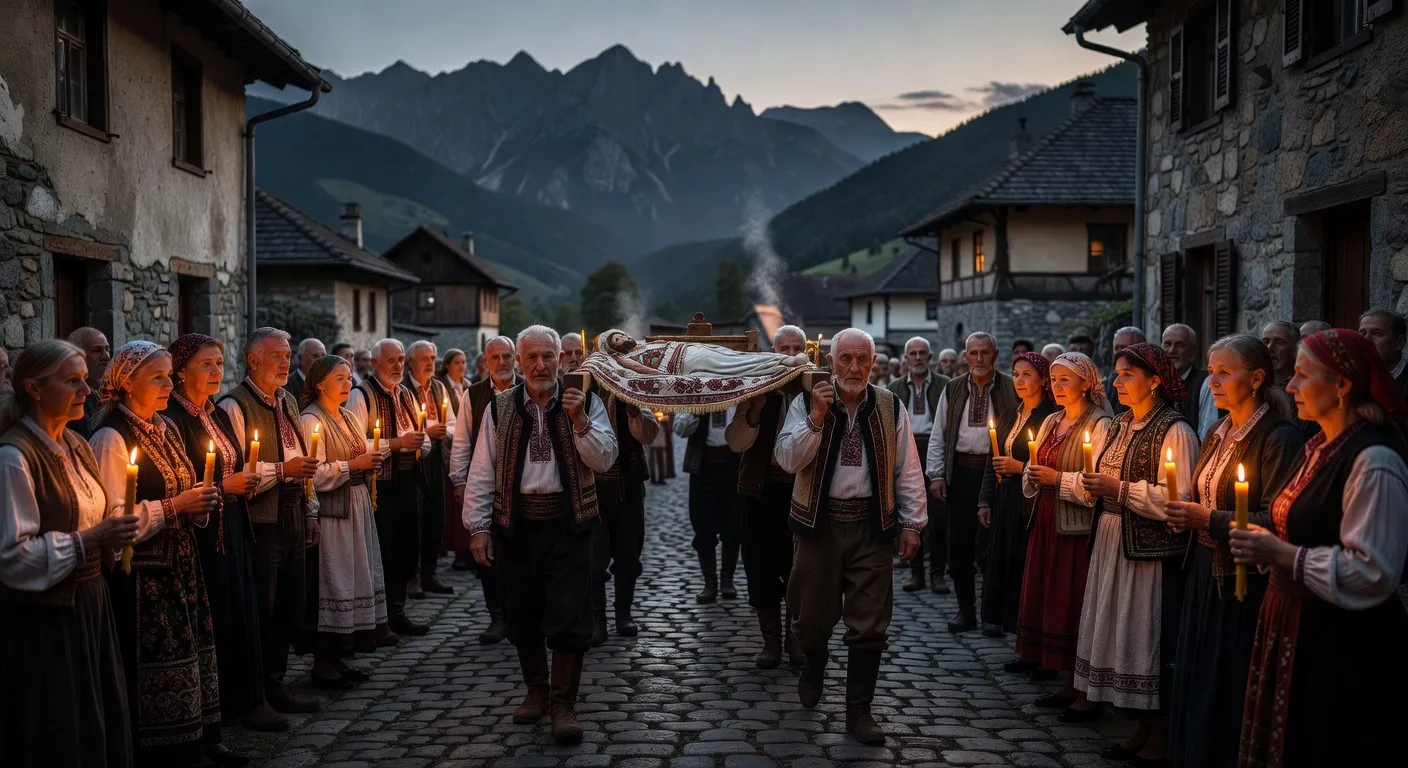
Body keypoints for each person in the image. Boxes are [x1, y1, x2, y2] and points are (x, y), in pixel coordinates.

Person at [1232, 329, 1408, 767]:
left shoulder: (1374, 461)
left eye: (1301, 375)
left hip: (1339, 641)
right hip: (1294, 621)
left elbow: (1374, 572)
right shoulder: (1318, 447)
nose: (1289, 387)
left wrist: (1283, 555)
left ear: (1342, 385)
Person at [463, 325, 617, 745]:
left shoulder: (585, 398)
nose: (541, 365)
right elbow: (482, 470)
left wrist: (580, 419)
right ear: (518, 360)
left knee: (570, 615)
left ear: (561, 358)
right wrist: (478, 528)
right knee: (523, 612)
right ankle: (536, 691)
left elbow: (605, 458)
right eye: (531, 357)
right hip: (517, 526)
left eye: (548, 356)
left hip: (569, 524)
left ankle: (564, 705)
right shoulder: (499, 407)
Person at [774, 327, 927, 746]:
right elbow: (787, 459)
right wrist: (816, 420)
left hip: (871, 527)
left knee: (870, 624)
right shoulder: (806, 400)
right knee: (810, 620)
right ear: (830, 361)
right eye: (846, 359)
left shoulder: (891, 406)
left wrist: (913, 523)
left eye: (863, 359)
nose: (855, 368)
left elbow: (907, 470)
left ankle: (859, 712)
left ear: (874, 363)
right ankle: (813, 663)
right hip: (818, 527)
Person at [1163, 335, 1302, 768]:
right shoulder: (1216, 433)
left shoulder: (1276, 438)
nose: (1213, 382)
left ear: (1257, 378)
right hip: (1204, 570)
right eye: (1211, 371)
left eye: (1225, 372)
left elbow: (1277, 521)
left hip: (1243, 577)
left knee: (1227, 678)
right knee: (1197, 670)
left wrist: (1208, 521)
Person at [91, 341, 232, 765]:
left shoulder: (166, 428)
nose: (169, 384)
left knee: (190, 655)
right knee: (155, 661)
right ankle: (162, 752)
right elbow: (117, 518)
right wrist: (177, 507)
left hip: (181, 564)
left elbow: (185, 489)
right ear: (127, 382)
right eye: (158, 376)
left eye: (170, 375)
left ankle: (197, 741)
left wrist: (200, 506)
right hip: (141, 577)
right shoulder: (111, 437)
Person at [0, 340, 136, 768]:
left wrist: (116, 532)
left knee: (98, 712)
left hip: (91, 602)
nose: (85, 389)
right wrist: (90, 540)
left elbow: (93, 512)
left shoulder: (77, 445)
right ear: (35, 389)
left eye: (84, 379)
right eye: (72, 380)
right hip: (47, 616)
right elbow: (12, 558)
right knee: (60, 721)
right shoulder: (13, 458)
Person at [1069, 343, 1198, 765]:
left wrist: (1120, 490)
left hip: (1150, 553)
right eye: (1117, 374)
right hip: (1111, 538)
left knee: (1147, 635)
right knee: (1121, 629)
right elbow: (1101, 478)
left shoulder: (1174, 430)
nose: (1118, 381)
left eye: (1128, 374)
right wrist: (1090, 487)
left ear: (1155, 380)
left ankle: (1158, 732)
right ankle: (1139, 727)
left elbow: (1176, 498)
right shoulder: (1122, 424)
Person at [164, 334, 285, 732]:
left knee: (242, 610)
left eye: (219, 363)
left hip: (232, 523)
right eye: (206, 365)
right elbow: (176, 482)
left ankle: (247, 698)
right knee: (219, 614)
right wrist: (224, 486)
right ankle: (224, 706)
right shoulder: (175, 419)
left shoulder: (213, 412)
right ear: (180, 372)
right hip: (202, 531)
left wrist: (243, 481)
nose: (217, 372)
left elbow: (231, 463)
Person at [217, 327, 322, 714]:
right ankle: (255, 691)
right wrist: (283, 470)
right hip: (260, 521)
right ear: (254, 359)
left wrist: (310, 512)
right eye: (277, 355)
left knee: (290, 606)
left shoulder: (288, 401)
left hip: (293, 510)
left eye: (289, 354)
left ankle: (275, 683)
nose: (286, 362)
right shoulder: (235, 405)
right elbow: (238, 474)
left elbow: (304, 465)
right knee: (262, 606)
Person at [1014, 352, 1111, 696]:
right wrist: (1034, 476)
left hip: (1076, 526)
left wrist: (1056, 479)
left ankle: (1077, 681)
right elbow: (1033, 465)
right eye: (1053, 380)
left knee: (1071, 596)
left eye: (1065, 379)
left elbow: (1096, 484)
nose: (1056, 386)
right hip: (1044, 517)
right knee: (1045, 588)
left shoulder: (1099, 424)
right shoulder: (1051, 421)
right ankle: (1053, 667)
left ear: (1086, 384)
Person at [300, 355, 389, 689]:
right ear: (320, 382)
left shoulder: (349, 416)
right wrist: (355, 465)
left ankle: (339, 656)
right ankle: (322, 662)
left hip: (357, 503)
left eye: (349, 376)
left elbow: (361, 451)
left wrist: (374, 457)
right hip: (333, 511)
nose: (347, 382)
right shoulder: (311, 419)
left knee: (354, 579)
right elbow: (315, 475)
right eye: (339, 377)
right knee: (334, 580)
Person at [728, 325, 809, 668]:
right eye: (783, 348)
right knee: (760, 567)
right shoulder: (755, 385)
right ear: (772, 352)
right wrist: (755, 409)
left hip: (801, 493)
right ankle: (771, 642)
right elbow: (736, 442)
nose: (790, 355)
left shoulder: (813, 390)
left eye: (796, 348)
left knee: (798, 569)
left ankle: (795, 639)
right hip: (760, 492)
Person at [926, 332, 1016, 632]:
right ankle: (966, 609)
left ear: (995, 354)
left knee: (992, 546)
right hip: (961, 474)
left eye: (984, 353)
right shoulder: (953, 389)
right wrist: (937, 474)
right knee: (959, 545)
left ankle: (992, 613)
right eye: (973, 353)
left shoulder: (1011, 387)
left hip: (998, 475)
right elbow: (939, 434)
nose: (978, 359)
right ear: (966, 356)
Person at [348, 339, 430, 638]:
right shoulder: (362, 396)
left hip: (408, 481)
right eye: (391, 360)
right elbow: (355, 445)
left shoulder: (406, 393)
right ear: (374, 364)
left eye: (400, 360)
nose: (397, 366)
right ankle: (377, 619)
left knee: (408, 548)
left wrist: (422, 443)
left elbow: (420, 436)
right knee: (383, 550)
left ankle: (397, 611)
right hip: (379, 486)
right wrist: (396, 444)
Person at [977, 351, 1057, 637]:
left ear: (1044, 380)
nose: (1019, 380)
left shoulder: (1050, 416)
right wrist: (985, 500)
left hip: (1033, 500)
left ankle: (1032, 635)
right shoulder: (1011, 412)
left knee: (1027, 565)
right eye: (1016, 374)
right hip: (1006, 497)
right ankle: (1012, 627)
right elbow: (993, 458)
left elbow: (1051, 463)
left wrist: (1019, 466)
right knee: (1004, 562)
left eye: (1027, 375)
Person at [449, 336, 518, 642]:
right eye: (495, 358)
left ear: (515, 358)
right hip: (486, 485)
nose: (502, 363)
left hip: (520, 487)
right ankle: (498, 617)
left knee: (520, 554)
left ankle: (522, 616)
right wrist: (460, 481)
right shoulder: (474, 395)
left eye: (507, 357)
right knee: (487, 553)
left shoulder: (527, 390)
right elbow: (461, 442)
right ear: (486, 362)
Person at [588, 382, 657, 645]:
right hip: (594, 487)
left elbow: (649, 434)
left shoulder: (632, 389)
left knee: (629, 554)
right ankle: (598, 619)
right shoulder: (586, 392)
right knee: (594, 557)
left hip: (628, 485)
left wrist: (634, 410)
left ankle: (623, 613)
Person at [887, 336, 950, 594]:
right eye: (912, 353)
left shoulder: (945, 385)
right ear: (905, 359)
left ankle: (937, 573)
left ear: (930, 357)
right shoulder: (895, 387)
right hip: (906, 450)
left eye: (922, 353)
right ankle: (916, 573)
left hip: (935, 452)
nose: (917, 357)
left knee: (937, 517)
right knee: (910, 514)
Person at [676, 398, 743, 602]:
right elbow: (680, 428)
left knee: (734, 528)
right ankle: (710, 582)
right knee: (703, 528)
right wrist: (698, 408)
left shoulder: (739, 391)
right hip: (704, 469)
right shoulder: (696, 394)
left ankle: (727, 579)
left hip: (734, 468)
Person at [404, 340, 455, 599]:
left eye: (433, 358)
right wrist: (426, 432)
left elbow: (453, 423)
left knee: (436, 514)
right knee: (414, 518)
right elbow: (401, 429)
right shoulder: (402, 389)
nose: (429, 363)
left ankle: (430, 572)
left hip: (435, 457)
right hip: (411, 461)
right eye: (424, 358)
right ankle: (411, 575)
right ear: (410, 362)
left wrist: (445, 431)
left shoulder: (438, 387)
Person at [1162, 324, 1218, 438]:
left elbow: (1207, 433)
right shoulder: (1155, 383)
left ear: (1192, 350)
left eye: (1180, 345)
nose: (1172, 350)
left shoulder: (1206, 383)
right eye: (1167, 344)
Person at [67, 327, 111, 438]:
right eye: (96, 350)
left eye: (107, 349)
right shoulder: (74, 402)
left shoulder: (110, 393)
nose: (106, 356)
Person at [1359, 309, 1408, 399]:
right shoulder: (1353, 379)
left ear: (1399, 342)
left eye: (1377, 334)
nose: (1366, 340)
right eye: (1363, 333)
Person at [1103, 326, 1146, 416]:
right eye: (1117, 348)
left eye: (1124, 348)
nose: (1119, 352)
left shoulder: (1146, 382)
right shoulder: (1105, 385)